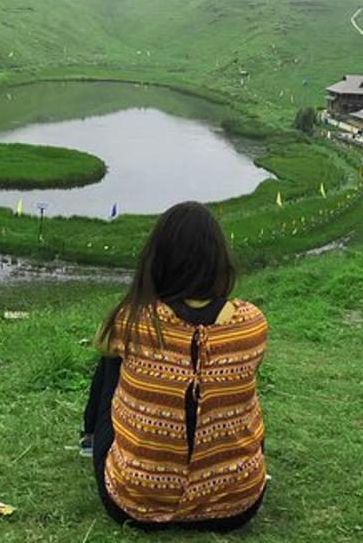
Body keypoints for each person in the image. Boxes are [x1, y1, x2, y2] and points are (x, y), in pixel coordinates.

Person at [81, 202, 268, 531]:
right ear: (218, 259)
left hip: (133, 503)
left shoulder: (134, 320)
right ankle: (224, 470)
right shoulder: (251, 322)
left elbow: (101, 341)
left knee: (112, 360)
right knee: (236, 381)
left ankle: (90, 440)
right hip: (236, 506)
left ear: (158, 259)